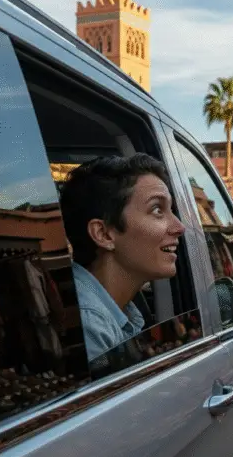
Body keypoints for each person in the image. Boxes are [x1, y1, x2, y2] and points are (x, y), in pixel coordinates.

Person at [60, 154, 185, 363]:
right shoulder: (89, 325)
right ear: (104, 234)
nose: (180, 227)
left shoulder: (117, 312)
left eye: (170, 210)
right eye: (157, 210)